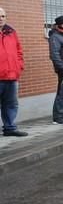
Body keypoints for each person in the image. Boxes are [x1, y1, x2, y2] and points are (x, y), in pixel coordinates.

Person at [0, 7, 28, 137]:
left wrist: (19, 66)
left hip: (12, 76)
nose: (1, 18)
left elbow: (19, 51)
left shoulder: (11, 32)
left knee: (11, 104)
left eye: (3, 16)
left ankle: (9, 128)